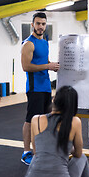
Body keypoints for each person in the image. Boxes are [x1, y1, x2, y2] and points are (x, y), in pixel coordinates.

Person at [23, 86, 89, 177]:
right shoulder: (75, 121)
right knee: (82, 157)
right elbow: (78, 153)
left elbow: (37, 152)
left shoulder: (35, 119)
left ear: (54, 99)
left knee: (35, 158)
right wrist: (68, 148)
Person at [20, 12, 60, 165]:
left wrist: (52, 66)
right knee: (31, 120)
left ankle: (41, 150)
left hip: (45, 86)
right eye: (38, 23)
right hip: (34, 87)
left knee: (44, 120)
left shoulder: (44, 42)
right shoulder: (28, 43)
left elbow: (44, 61)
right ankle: (26, 152)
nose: (41, 27)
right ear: (32, 25)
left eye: (43, 24)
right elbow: (26, 66)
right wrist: (47, 66)